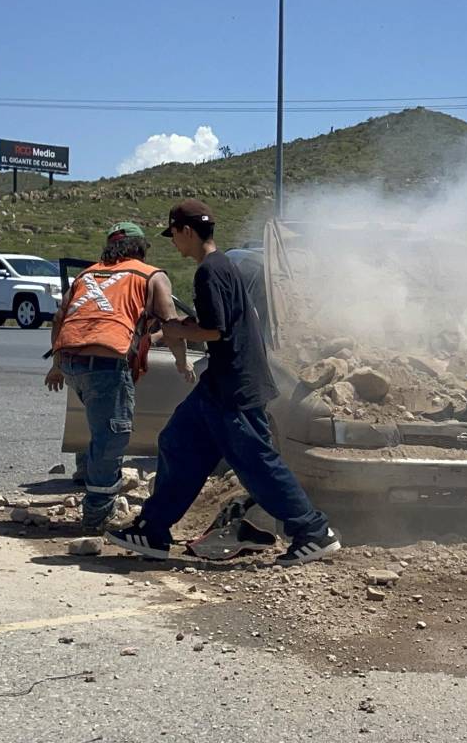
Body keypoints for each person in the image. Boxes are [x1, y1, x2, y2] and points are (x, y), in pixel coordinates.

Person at [106, 200, 341, 565]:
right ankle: (152, 530)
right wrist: (181, 328)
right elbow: (220, 323)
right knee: (177, 443)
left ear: (187, 231)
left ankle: (313, 531)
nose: (173, 242)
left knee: (257, 463)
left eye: (174, 235)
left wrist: (176, 330)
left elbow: (215, 330)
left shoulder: (210, 271)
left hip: (234, 387)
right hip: (219, 384)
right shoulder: (222, 266)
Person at [45, 221, 191, 532]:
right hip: (106, 364)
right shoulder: (151, 275)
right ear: (141, 249)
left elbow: (59, 319)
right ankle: (98, 514)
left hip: (71, 362)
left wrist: (56, 365)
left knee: (98, 426)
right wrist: (182, 362)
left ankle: (87, 473)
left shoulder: (87, 274)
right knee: (112, 437)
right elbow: (172, 325)